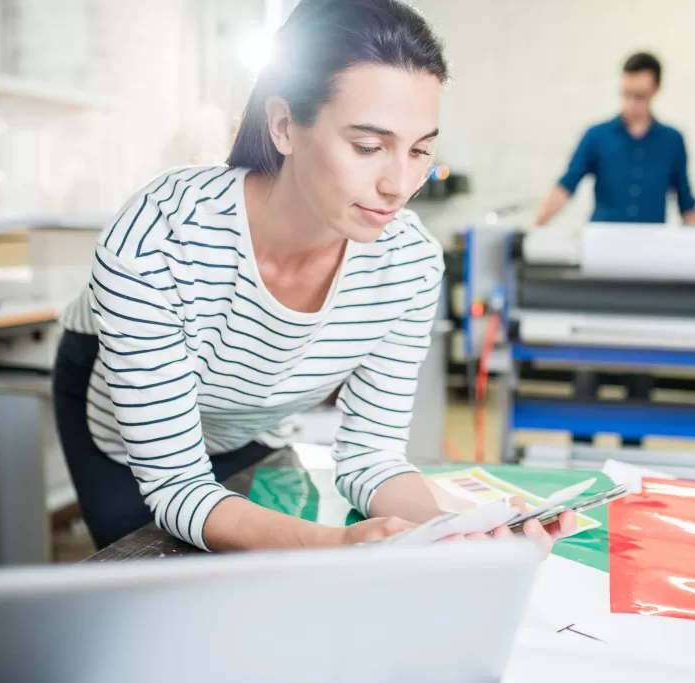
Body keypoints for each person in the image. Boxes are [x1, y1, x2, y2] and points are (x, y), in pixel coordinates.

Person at [53, 0, 575, 553]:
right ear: (284, 126)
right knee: (150, 586)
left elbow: (370, 457)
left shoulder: (410, 265)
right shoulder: (162, 233)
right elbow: (177, 487)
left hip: (248, 423)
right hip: (122, 439)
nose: (399, 184)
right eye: (369, 147)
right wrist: (336, 544)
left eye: (421, 150)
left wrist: (458, 529)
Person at [533, 51, 695, 226]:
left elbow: (685, 201)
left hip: (651, 244)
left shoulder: (672, 141)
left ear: (656, 89)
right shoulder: (596, 136)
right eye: (626, 94)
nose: (631, 104)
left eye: (639, 96)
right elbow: (566, 186)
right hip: (603, 241)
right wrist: (534, 229)